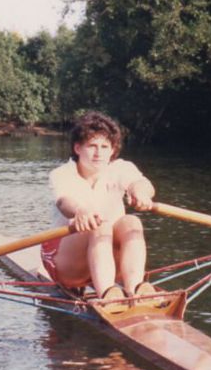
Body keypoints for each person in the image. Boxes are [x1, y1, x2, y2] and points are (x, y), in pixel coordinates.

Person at [41, 111, 156, 310]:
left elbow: (143, 184)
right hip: (67, 264)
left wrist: (141, 192)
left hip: (108, 257)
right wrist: (80, 210)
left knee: (132, 222)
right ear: (78, 148)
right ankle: (108, 296)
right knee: (100, 225)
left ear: (112, 150)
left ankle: (136, 289)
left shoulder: (121, 168)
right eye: (92, 146)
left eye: (104, 147)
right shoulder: (62, 174)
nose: (98, 153)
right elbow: (64, 202)